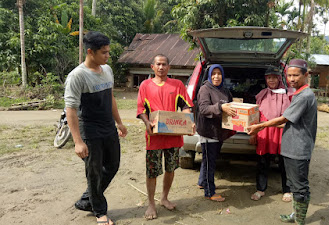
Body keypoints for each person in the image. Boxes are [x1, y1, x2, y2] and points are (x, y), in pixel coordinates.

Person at [65, 31, 128, 225]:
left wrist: (119, 122)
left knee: (113, 164)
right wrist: (77, 141)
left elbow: (110, 98)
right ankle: (100, 211)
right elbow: (71, 109)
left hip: (108, 126)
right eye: (104, 52)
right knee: (93, 171)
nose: (108, 56)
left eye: (108, 52)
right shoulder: (77, 76)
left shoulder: (107, 70)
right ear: (90, 52)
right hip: (90, 130)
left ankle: (87, 199)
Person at [247, 59, 317, 225]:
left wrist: (260, 126)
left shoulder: (300, 95)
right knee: (266, 164)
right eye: (290, 75)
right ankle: (295, 214)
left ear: (305, 75)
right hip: (282, 137)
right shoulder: (297, 93)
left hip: (295, 143)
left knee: (298, 184)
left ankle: (299, 219)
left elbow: (286, 118)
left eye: (296, 75)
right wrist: (258, 129)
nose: (292, 79)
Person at [137, 54, 194, 220]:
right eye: (158, 64)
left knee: (170, 169)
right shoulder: (145, 85)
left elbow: (185, 106)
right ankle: (151, 204)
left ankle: (164, 198)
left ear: (169, 67)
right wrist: (147, 123)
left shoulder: (177, 85)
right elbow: (141, 110)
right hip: (153, 137)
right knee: (152, 171)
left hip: (173, 136)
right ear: (152, 67)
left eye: (164, 64)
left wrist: (188, 121)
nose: (161, 67)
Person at [249, 68, 292, 202]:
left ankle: (287, 190)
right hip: (264, 131)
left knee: (285, 163)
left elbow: (288, 117)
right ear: (265, 79)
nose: (271, 80)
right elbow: (255, 114)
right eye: (269, 78)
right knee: (262, 161)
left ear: (279, 79)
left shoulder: (286, 95)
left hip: (280, 131)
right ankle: (260, 189)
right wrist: (253, 133)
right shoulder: (262, 94)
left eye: (274, 77)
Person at [196, 64, 236, 202]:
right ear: (209, 75)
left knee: (208, 159)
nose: (216, 76)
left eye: (219, 73)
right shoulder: (205, 89)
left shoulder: (225, 90)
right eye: (214, 73)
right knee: (209, 163)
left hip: (219, 131)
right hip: (208, 131)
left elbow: (232, 105)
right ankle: (209, 192)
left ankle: (202, 182)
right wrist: (221, 107)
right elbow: (203, 109)